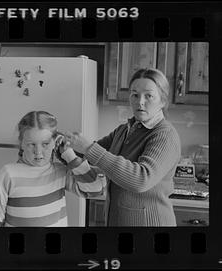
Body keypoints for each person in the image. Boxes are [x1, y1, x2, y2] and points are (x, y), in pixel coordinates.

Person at [65, 68, 181, 227]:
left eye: (149, 96)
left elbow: (141, 180)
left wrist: (88, 148)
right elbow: (89, 155)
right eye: (135, 94)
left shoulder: (165, 135)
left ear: (162, 100)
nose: (140, 101)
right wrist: (58, 145)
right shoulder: (125, 129)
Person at [0, 111, 106, 227]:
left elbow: (96, 190)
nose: (38, 152)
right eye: (31, 144)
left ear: (55, 142)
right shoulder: (7, 175)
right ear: (21, 143)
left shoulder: (60, 172)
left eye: (45, 144)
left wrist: (70, 155)